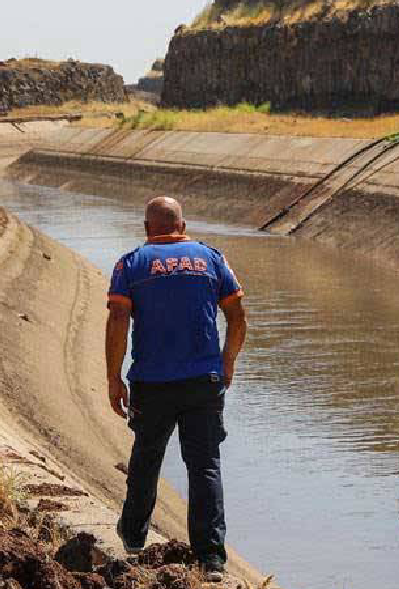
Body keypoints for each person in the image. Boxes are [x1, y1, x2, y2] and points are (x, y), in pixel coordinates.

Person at [106, 197, 247, 581]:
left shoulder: (131, 263)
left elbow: (119, 318)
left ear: (147, 228)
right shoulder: (211, 258)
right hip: (204, 381)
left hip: (151, 384)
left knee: (146, 457)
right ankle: (212, 560)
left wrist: (113, 377)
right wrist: (228, 360)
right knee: (204, 465)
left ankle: (134, 537)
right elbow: (237, 314)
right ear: (182, 225)